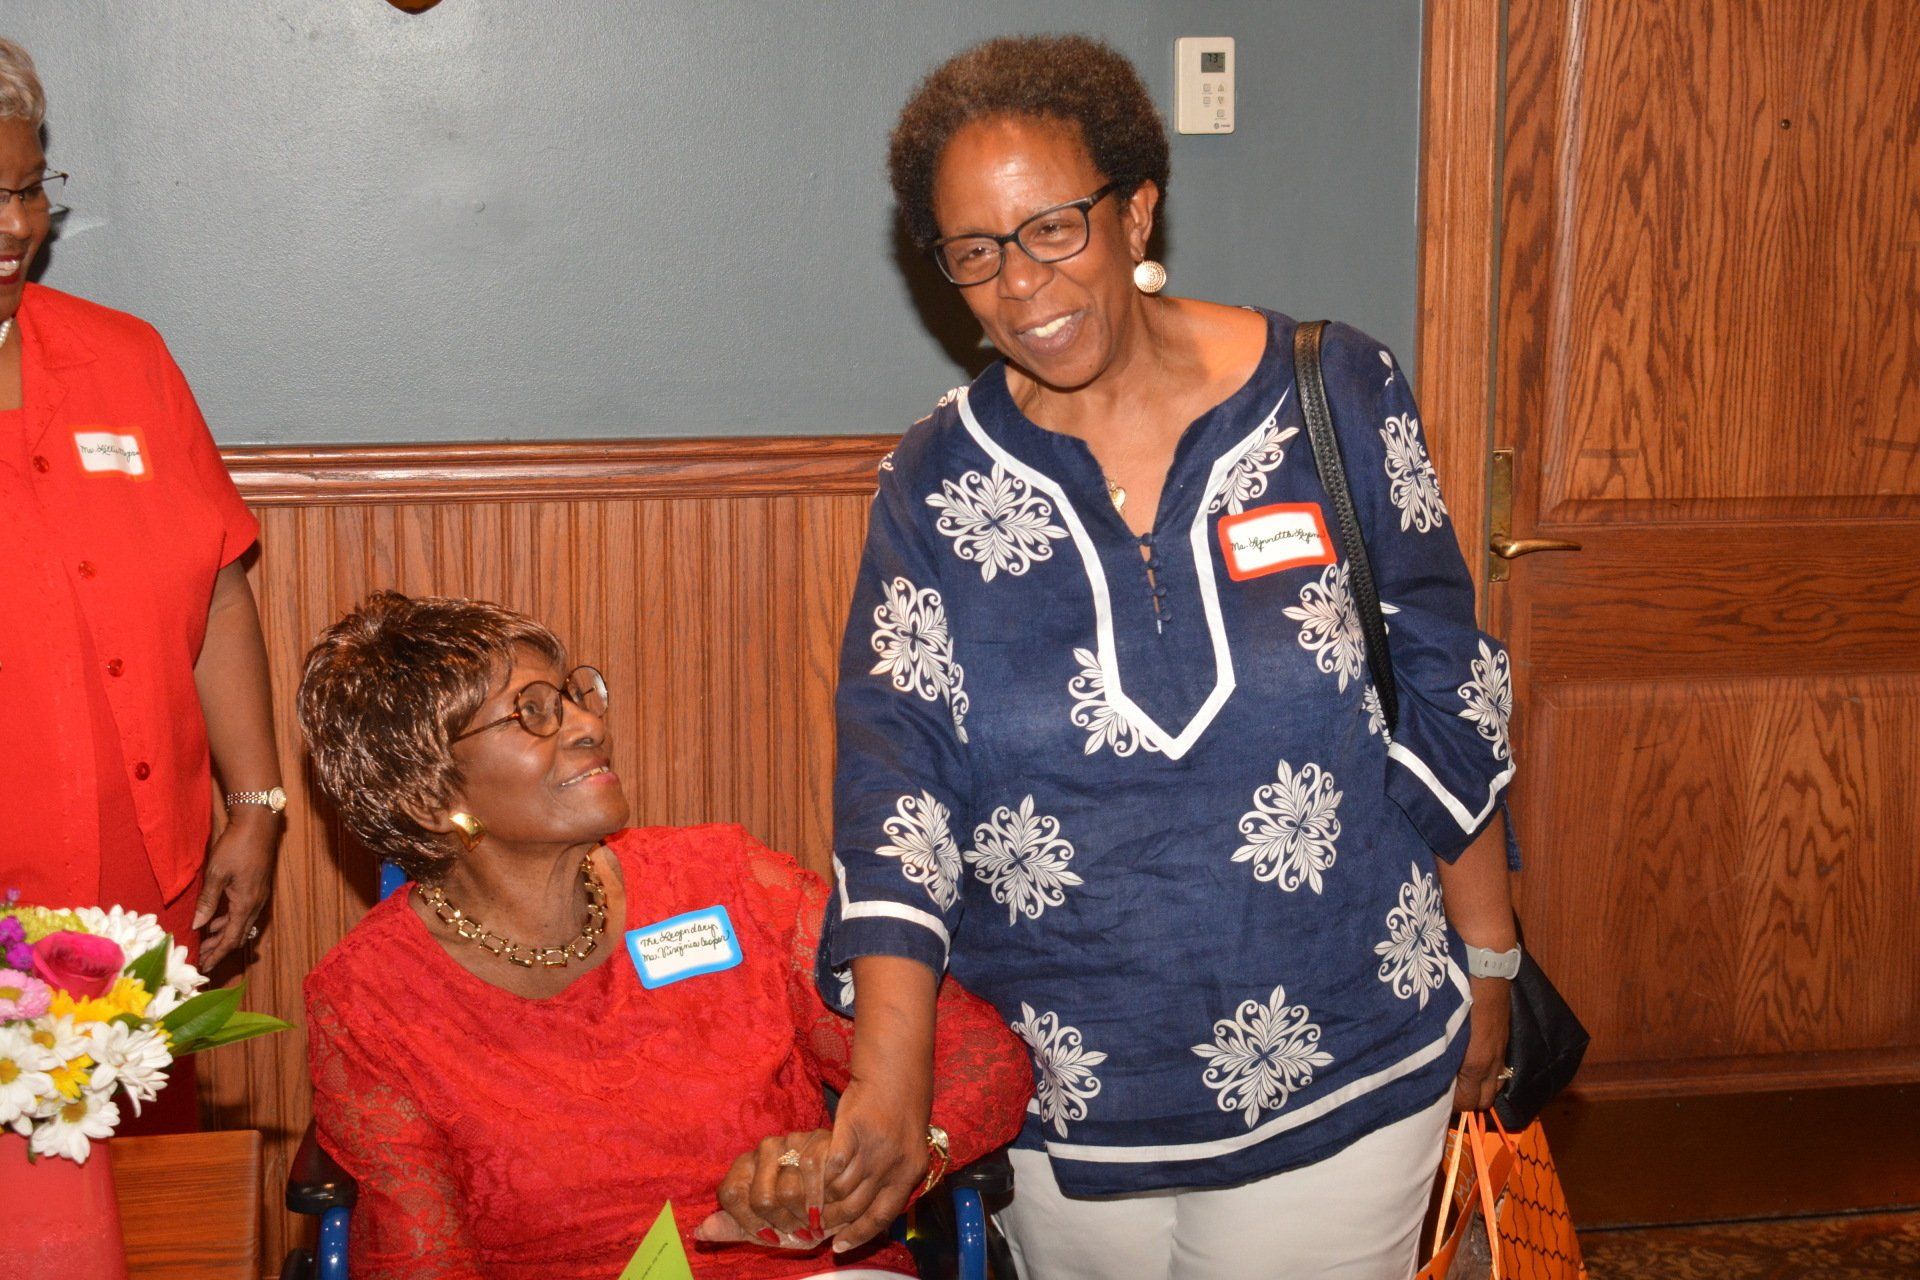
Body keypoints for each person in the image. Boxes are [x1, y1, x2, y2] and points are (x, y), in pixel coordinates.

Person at [818, 35, 1522, 1280]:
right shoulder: (932, 482)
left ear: (1136, 208)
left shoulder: (1334, 392)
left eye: (1052, 228)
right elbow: (897, 787)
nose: (1019, 283)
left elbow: (1445, 692)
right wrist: (890, 1078)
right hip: (1059, 1099)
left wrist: (1492, 957)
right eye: (973, 251)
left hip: (1343, 1057)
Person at [297, 591, 1030, 1280]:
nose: (588, 725)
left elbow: (980, 1055)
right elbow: (424, 1259)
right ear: (429, 795)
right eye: (533, 712)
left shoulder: (724, 881)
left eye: (574, 695)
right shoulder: (369, 999)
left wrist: (885, 1160)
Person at [0, 39, 280, 977]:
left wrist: (256, 807)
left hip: (142, 884)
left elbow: (218, 595)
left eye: (28, 191)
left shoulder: (126, 361)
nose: (15, 225)